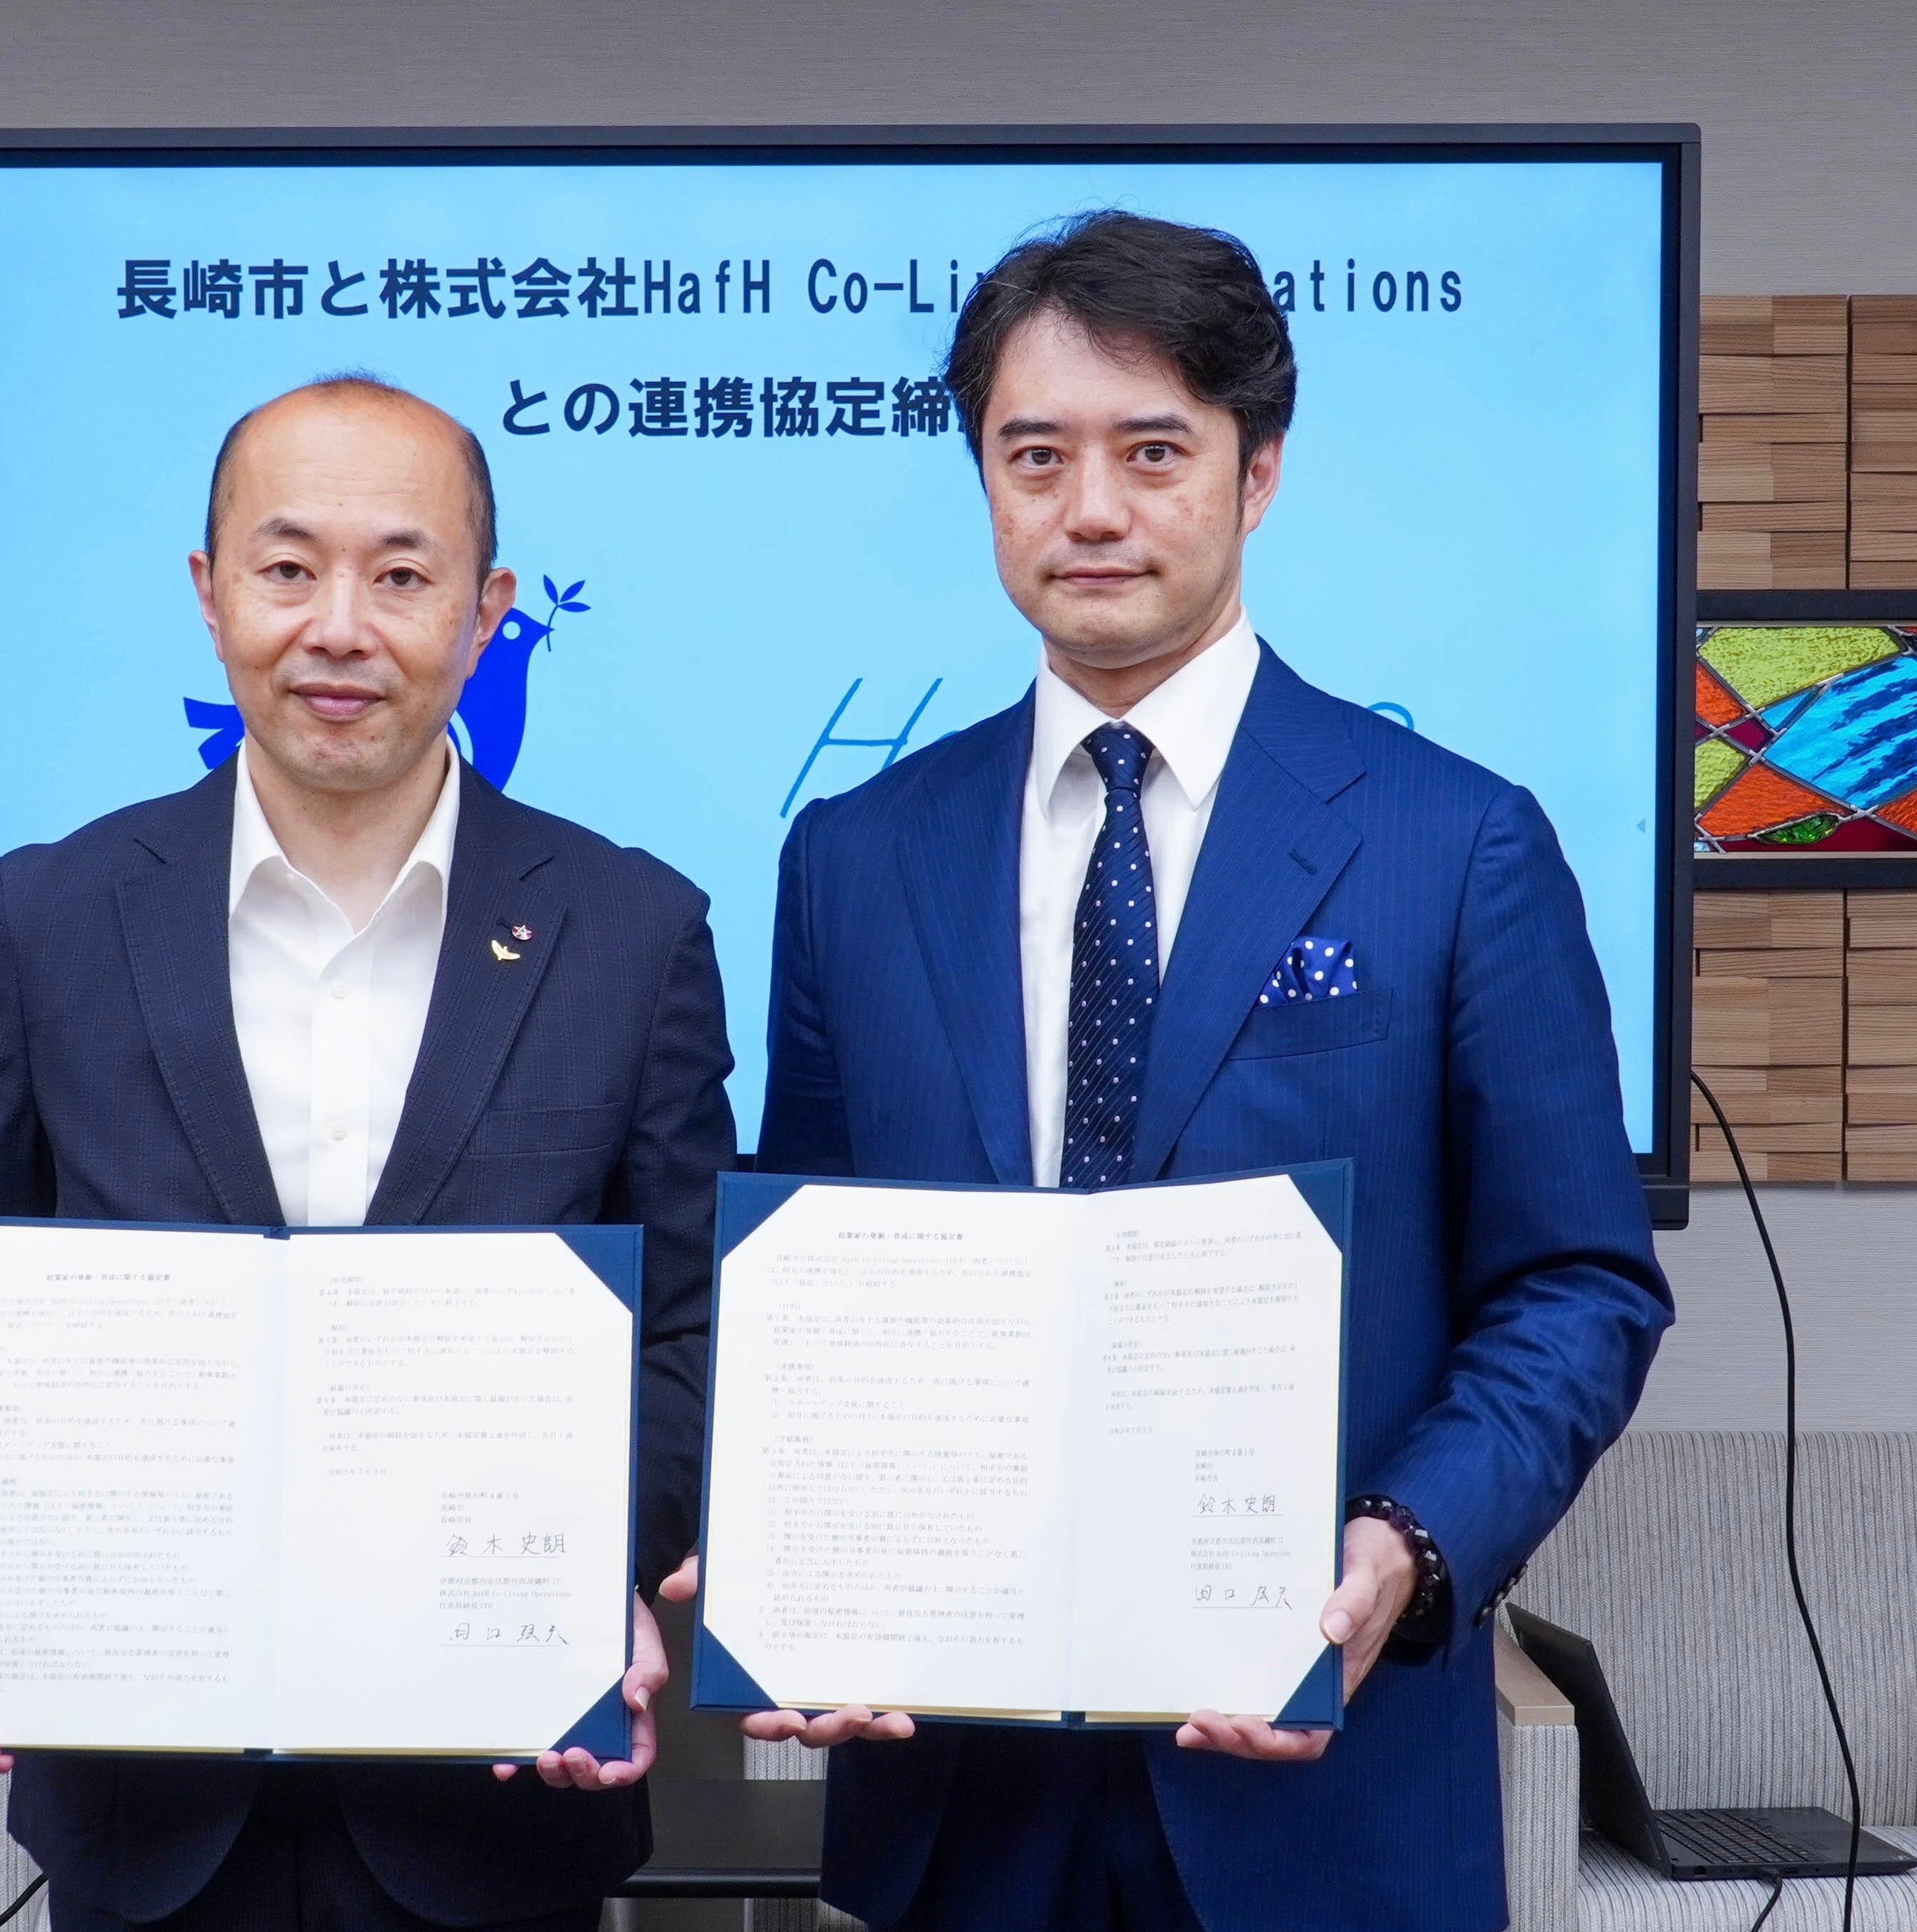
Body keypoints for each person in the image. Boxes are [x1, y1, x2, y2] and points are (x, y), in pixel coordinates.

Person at [708, 212, 1674, 1930]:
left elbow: (1578, 1284)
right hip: (956, 1801)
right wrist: (796, 1561)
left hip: (1319, 1790)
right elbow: (812, 1270)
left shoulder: (1456, 844)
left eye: (1152, 451)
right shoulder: (856, 855)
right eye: (1036, 456)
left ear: (1259, 472)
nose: (1091, 509)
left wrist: (1407, 1547)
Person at [0, 375, 734, 1931]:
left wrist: (595, 1570)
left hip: (497, 1802)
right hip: (145, 1798)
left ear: (485, 611)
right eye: (288, 567)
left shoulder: (634, 930)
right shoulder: (50, 918)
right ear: (209, 594)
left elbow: (687, 1327)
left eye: (402, 575)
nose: (339, 628)